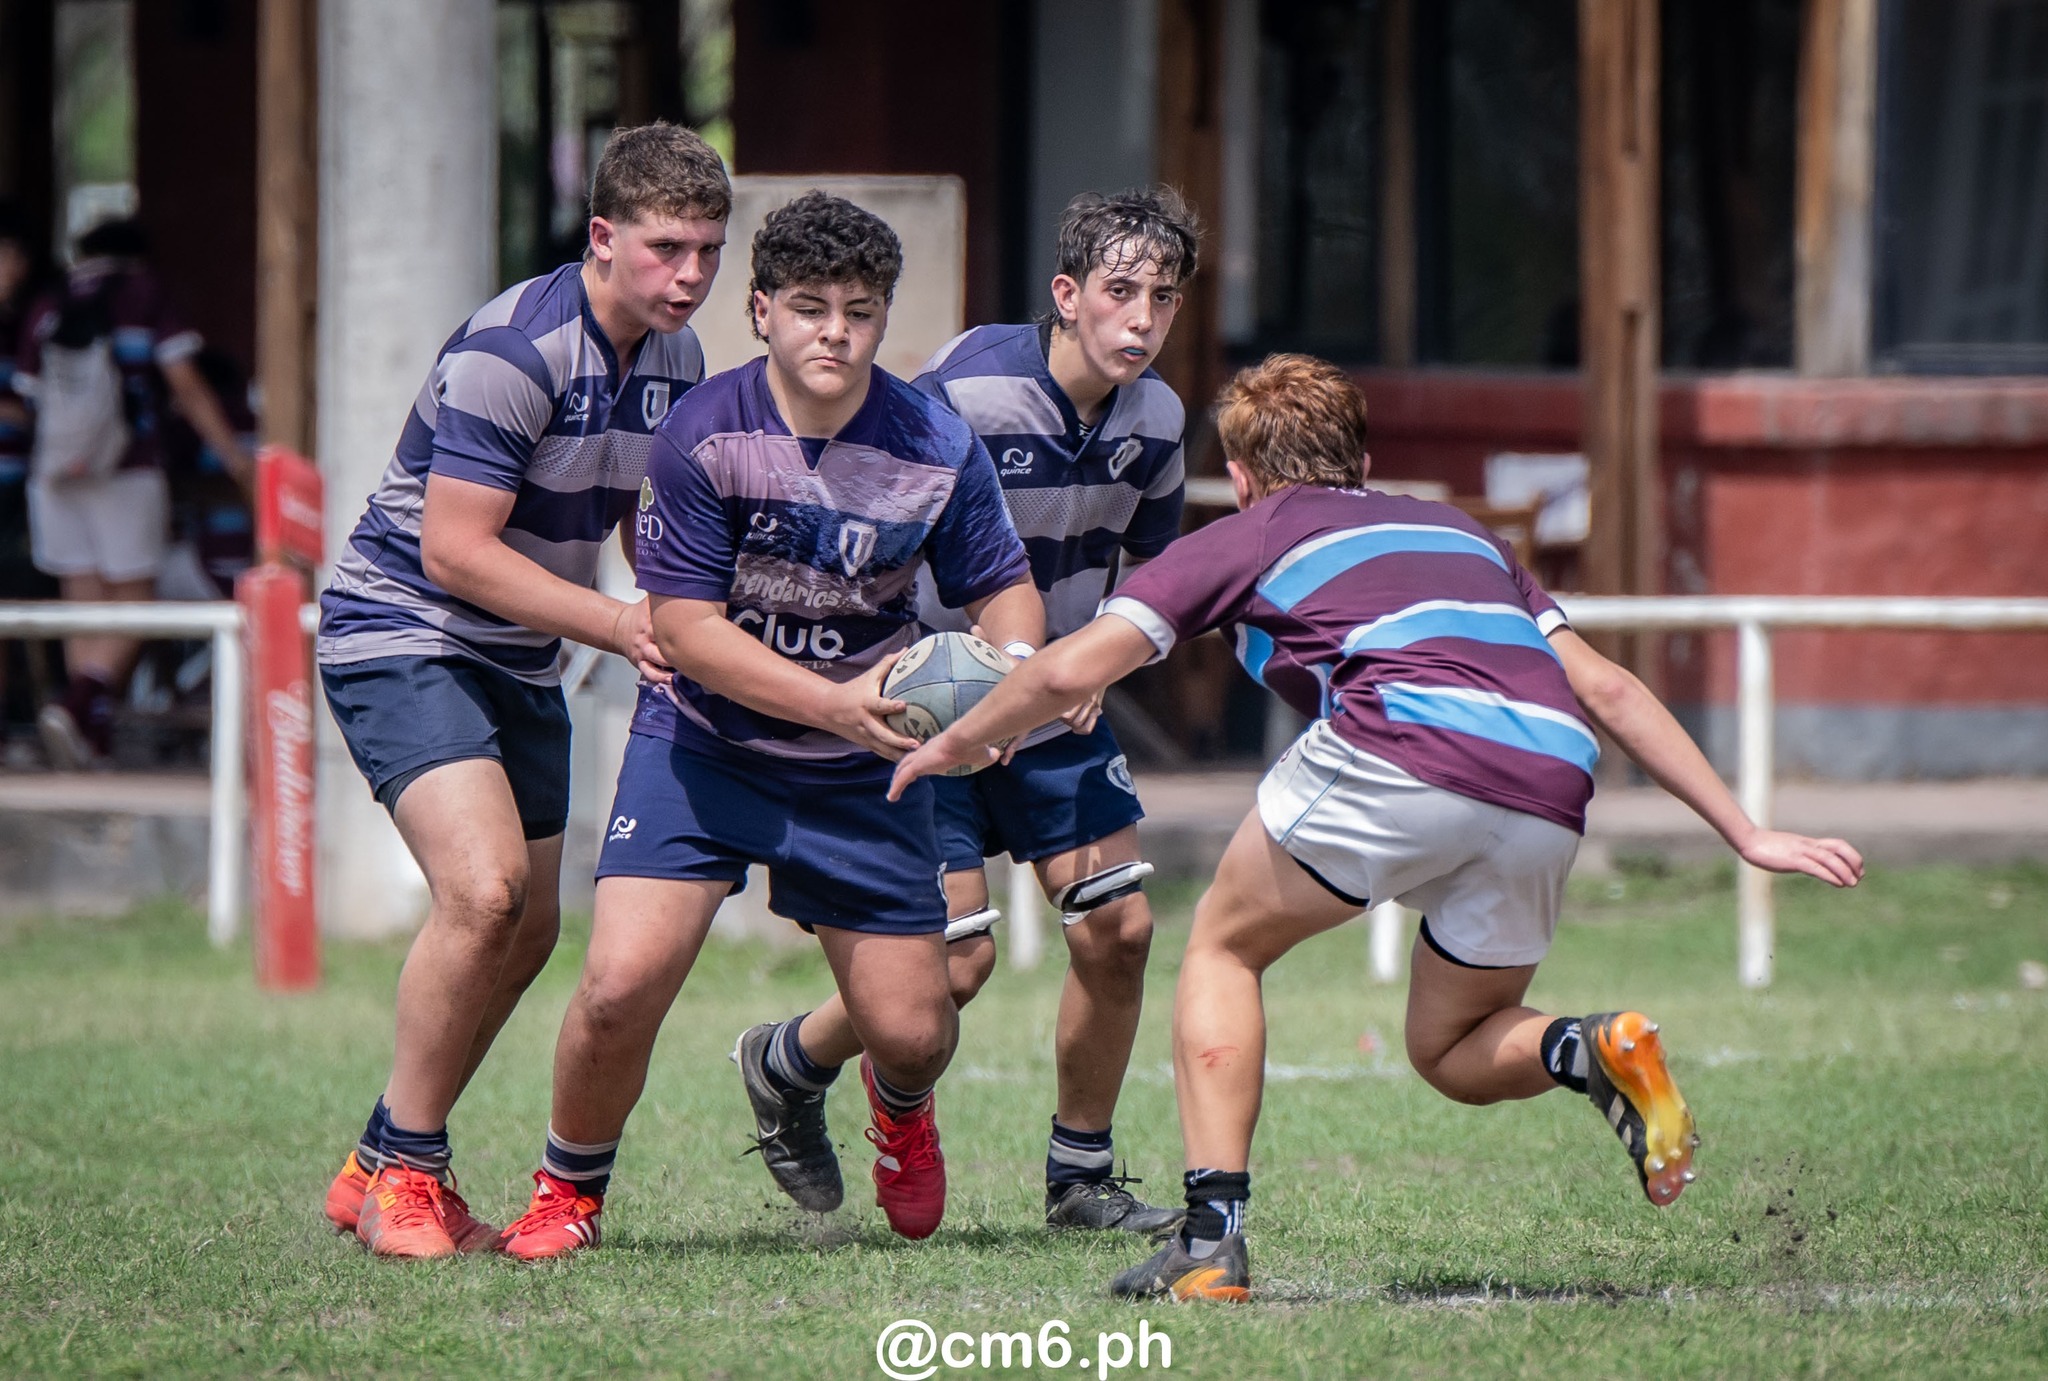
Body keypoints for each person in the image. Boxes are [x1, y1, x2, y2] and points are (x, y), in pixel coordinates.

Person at [887, 354, 1866, 1300]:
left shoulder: (1249, 532)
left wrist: (951, 742)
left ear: (1239, 475)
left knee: (1221, 952)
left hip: (1402, 743)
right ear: (1361, 461)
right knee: (1451, 1045)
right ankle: (1589, 1044)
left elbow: (1066, 670)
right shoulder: (1467, 537)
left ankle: (1208, 1244)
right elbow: (1604, 684)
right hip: (1550, 773)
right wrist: (1745, 830)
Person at [493, 190, 1045, 1260]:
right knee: (615, 987)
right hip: (700, 748)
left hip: (862, 775)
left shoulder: (935, 440)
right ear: (759, 312)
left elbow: (1004, 590)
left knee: (915, 1031)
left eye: (858, 309)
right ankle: (568, 1193)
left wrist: (1006, 681)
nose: (833, 330)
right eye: (807, 306)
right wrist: (836, 703)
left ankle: (892, 1103)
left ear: (884, 318)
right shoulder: (701, 434)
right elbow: (686, 630)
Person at [741, 188, 1199, 1238]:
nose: (1140, 319)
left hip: (1056, 708)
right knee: (955, 965)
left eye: (1162, 298)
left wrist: (1094, 669)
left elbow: (1152, 576)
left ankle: (1079, 1178)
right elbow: (858, 512)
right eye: (1120, 293)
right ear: (1066, 294)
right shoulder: (965, 389)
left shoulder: (1159, 420)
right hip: (926, 711)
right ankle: (787, 1061)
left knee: (1118, 929)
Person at [314, 122, 730, 1260]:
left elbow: (652, 534)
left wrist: (704, 623)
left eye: (706, 248)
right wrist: (621, 624)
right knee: (486, 892)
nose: (689, 274)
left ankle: (378, 1154)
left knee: (532, 925)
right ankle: (412, 1173)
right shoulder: (516, 349)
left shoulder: (677, 359)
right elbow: (453, 550)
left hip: (521, 653)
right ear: (602, 237)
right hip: (403, 629)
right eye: (663, 248)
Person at [12, 218, 254, 765]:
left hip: (53, 472)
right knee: (137, 595)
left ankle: (82, 729)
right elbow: (186, 385)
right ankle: (82, 702)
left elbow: (27, 395)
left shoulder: (49, 301)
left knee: (83, 602)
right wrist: (238, 462)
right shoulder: (145, 293)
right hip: (127, 465)